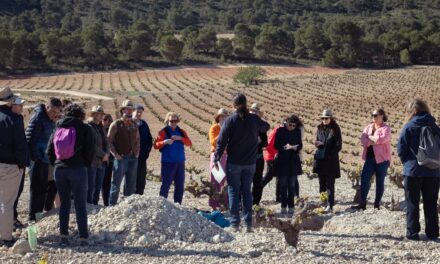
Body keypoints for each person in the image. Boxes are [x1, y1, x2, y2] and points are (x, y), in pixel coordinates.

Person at [214, 93, 270, 232]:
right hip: (250, 163)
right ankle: (248, 224)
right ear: (246, 104)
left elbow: (221, 142)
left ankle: (235, 224)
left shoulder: (230, 120)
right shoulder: (254, 119)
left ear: (233, 105)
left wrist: (217, 157)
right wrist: (256, 128)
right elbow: (267, 126)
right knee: (247, 192)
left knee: (233, 191)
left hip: (234, 162)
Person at [47, 103, 95, 246]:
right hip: (77, 169)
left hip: (60, 170)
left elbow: (49, 151)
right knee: (80, 204)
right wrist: (84, 164)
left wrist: (56, 163)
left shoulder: (58, 126)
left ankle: (63, 235)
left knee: (64, 204)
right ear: (81, 114)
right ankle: (83, 237)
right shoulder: (85, 128)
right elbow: (90, 151)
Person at [397, 99, 440, 241]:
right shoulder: (435, 126)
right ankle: (433, 233)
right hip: (433, 171)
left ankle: (413, 233)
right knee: (431, 202)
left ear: (411, 112)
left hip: (413, 171)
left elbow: (401, 149)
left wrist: (407, 163)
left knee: (412, 202)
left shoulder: (408, 126)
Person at [26, 97, 62, 221]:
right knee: (36, 191)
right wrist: (37, 157)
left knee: (44, 190)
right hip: (37, 160)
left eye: (57, 113)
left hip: (45, 160)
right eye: (53, 112)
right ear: (47, 107)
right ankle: (32, 220)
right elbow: (29, 139)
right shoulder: (38, 118)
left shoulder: (49, 119)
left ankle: (39, 217)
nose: (55, 115)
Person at [0, 88, 27, 247]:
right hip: (10, 166)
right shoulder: (15, 119)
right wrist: (22, 165)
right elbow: (20, 145)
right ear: (10, 102)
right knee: (7, 203)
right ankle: (6, 237)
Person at [355, 109, 391, 210]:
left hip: (382, 160)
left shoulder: (386, 128)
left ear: (382, 116)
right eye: (373, 115)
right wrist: (373, 140)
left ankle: (376, 204)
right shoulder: (368, 127)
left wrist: (370, 138)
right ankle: (362, 204)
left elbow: (382, 139)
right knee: (364, 179)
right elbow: (363, 139)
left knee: (380, 182)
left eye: (376, 115)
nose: (374, 117)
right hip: (370, 159)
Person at [154, 112, 192, 204]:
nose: (174, 123)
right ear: (167, 121)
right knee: (166, 185)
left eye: (176, 121)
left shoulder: (182, 132)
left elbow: (189, 143)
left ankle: (178, 205)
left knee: (180, 185)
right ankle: (162, 204)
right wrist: (164, 142)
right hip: (168, 162)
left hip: (180, 162)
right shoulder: (163, 132)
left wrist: (180, 138)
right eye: (171, 121)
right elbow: (155, 145)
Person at [107, 100, 140, 206]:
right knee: (116, 184)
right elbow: (108, 142)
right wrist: (115, 155)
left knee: (131, 184)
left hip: (133, 158)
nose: (129, 111)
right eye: (127, 109)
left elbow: (138, 140)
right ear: (122, 110)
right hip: (121, 158)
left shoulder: (134, 124)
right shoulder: (115, 124)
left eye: (131, 109)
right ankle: (111, 206)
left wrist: (136, 153)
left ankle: (127, 207)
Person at [313, 110, 342, 213]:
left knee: (330, 183)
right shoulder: (319, 128)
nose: (324, 120)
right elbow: (317, 140)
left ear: (331, 118)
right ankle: (323, 202)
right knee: (321, 183)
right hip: (321, 160)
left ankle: (330, 204)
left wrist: (328, 153)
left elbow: (338, 146)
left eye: (326, 118)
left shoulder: (335, 129)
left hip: (330, 161)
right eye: (323, 118)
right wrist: (318, 144)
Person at [274, 114, 303, 215]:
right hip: (282, 161)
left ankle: (291, 206)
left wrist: (296, 147)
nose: (292, 127)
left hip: (293, 161)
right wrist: (285, 147)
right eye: (290, 125)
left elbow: (300, 144)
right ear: (286, 123)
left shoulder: (297, 131)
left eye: (294, 125)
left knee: (291, 184)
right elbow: (275, 145)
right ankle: (283, 206)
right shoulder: (280, 131)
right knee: (283, 184)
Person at [11, 97, 29, 230]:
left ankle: (13, 217)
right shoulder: (12, 120)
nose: (21, 108)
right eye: (19, 105)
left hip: (18, 163)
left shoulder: (18, 119)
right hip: (14, 163)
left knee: (17, 192)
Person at [86, 106, 109, 205]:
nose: (101, 116)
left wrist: (107, 154)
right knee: (91, 186)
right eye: (99, 114)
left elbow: (106, 141)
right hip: (92, 161)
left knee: (98, 186)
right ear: (94, 114)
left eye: (102, 114)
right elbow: (91, 145)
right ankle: (89, 205)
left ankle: (95, 205)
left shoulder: (101, 127)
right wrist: (103, 154)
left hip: (102, 161)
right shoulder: (88, 127)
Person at [208, 108, 229, 210]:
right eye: (222, 116)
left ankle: (225, 204)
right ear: (219, 117)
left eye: (226, 116)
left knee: (225, 181)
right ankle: (214, 205)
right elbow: (213, 142)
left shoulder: (229, 128)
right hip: (217, 156)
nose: (224, 118)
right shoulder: (214, 128)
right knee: (215, 180)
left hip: (227, 156)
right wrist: (223, 131)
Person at [249, 103, 268, 206]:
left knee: (257, 181)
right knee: (246, 181)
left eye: (256, 112)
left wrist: (260, 140)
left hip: (258, 157)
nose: (254, 113)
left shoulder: (262, 127)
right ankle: (246, 202)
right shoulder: (245, 125)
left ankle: (256, 202)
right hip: (247, 158)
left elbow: (266, 143)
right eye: (252, 111)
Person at [262, 120, 284, 203]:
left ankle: (279, 197)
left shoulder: (280, 130)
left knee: (279, 176)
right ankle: (256, 191)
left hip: (275, 156)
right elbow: (268, 145)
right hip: (271, 157)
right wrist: (275, 153)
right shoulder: (277, 131)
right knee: (269, 176)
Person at [132, 105, 153, 195]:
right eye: (137, 111)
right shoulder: (129, 123)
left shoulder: (144, 124)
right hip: (131, 157)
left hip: (142, 157)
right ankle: (129, 197)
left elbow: (149, 139)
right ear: (133, 112)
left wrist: (146, 153)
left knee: (141, 178)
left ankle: (140, 195)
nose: (139, 114)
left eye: (140, 112)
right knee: (131, 178)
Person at [101, 114, 114, 206]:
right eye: (106, 119)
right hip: (101, 160)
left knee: (107, 183)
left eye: (110, 120)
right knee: (99, 183)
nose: (108, 122)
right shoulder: (99, 131)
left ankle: (106, 203)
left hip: (110, 160)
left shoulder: (112, 131)